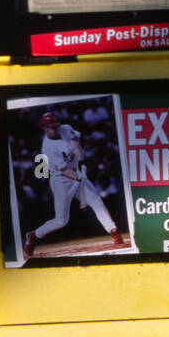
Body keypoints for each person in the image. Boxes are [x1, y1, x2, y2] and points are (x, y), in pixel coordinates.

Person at [23, 111, 124, 260]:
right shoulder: (47, 148)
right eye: (52, 127)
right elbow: (64, 170)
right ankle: (34, 235)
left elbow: (76, 145)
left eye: (56, 126)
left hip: (77, 173)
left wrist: (82, 165)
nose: (56, 129)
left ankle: (113, 231)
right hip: (61, 181)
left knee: (97, 202)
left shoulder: (65, 128)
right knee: (61, 221)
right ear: (45, 128)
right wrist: (79, 176)